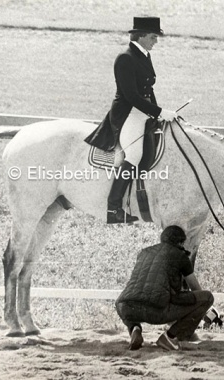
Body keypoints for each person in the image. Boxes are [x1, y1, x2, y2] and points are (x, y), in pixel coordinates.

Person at [85, 16, 177, 224]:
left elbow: (148, 89)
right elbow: (131, 96)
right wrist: (160, 111)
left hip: (143, 111)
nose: (156, 41)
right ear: (142, 35)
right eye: (153, 37)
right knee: (134, 155)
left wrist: (158, 114)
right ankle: (113, 208)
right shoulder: (125, 58)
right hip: (127, 113)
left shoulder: (144, 55)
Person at [115, 226, 214, 351]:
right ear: (181, 242)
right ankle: (171, 336)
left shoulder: (144, 252)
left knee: (136, 302)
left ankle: (135, 328)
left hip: (126, 307)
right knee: (207, 298)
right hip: (156, 309)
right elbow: (196, 290)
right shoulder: (180, 255)